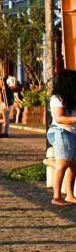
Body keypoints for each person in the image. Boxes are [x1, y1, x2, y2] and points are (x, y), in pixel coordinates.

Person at [48, 69, 76, 206]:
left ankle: (69, 195)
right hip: (62, 132)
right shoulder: (57, 98)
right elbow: (59, 118)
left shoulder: (71, 97)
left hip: (72, 133)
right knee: (62, 164)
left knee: (72, 166)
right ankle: (56, 196)